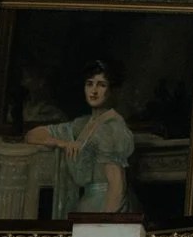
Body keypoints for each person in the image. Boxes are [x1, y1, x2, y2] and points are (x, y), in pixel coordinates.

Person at [26, 60, 134, 215]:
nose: (94, 90)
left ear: (112, 90)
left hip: (107, 206)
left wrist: (105, 223)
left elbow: (116, 185)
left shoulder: (112, 127)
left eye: (101, 85)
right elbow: (32, 135)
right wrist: (62, 143)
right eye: (89, 84)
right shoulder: (81, 124)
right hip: (87, 204)